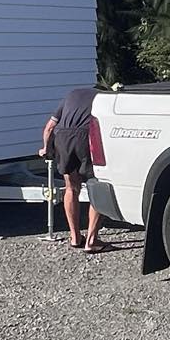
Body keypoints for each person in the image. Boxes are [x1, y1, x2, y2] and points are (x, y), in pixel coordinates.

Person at [40, 85, 105, 252]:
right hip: (86, 136)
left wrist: (45, 149)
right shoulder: (103, 97)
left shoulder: (71, 95)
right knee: (97, 188)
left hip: (63, 137)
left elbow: (49, 127)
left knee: (71, 188)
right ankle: (92, 241)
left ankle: (75, 237)